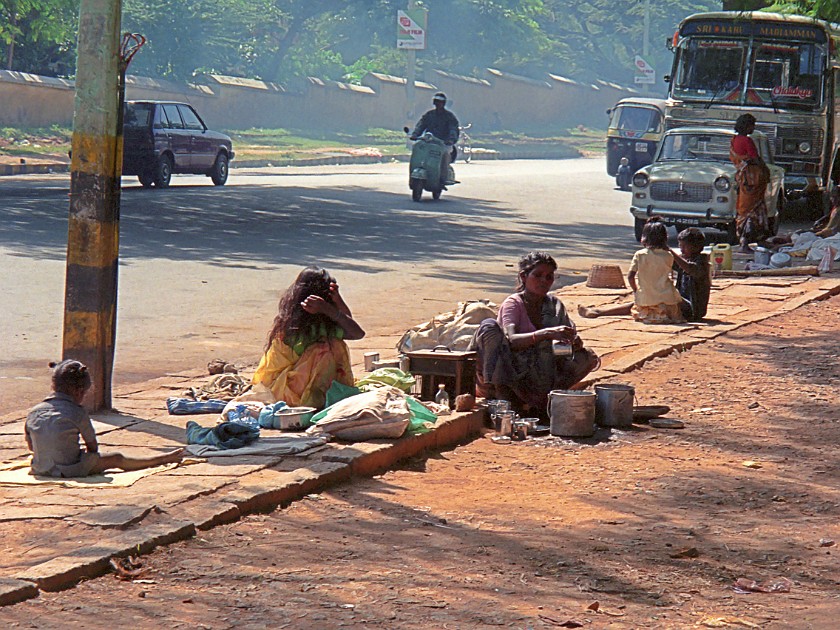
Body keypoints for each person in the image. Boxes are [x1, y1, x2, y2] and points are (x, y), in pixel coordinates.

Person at [468, 252, 599, 415]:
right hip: (509, 371)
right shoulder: (514, 304)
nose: (544, 281)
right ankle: (499, 395)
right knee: (488, 326)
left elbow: (569, 340)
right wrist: (545, 334)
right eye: (538, 275)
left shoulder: (554, 305)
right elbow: (512, 340)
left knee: (587, 357)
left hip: (540, 372)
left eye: (549, 277)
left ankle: (542, 400)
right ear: (523, 277)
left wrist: (572, 341)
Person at [25, 360, 184, 477]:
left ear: (53, 386)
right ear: (79, 392)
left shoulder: (34, 411)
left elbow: (32, 447)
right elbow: (92, 447)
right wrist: (88, 461)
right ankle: (162, 458)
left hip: (40, 467)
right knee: (117, 458)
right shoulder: (77, 412)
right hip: (69, 469)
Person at [251, 266, 365, 409]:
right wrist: (329, 309)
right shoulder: (298, 328)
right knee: (325, 348)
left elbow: (354, 330)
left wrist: (337, 300)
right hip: (289, 391)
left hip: (296, 387)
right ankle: (317, 399)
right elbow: (355, 332)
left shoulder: (321, 324)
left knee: (333, 343)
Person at [578, 220, 687, 324]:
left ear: (644, 238)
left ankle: (599, 312)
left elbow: (630, 276)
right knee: (658, 299)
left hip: (646, 299)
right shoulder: (668, 255)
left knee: (639, 303)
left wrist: (636, 290)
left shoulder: (640, 254)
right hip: (669, 301)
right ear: (665, 238)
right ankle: (598, 312)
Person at [730, 113, 771, 252]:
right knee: (753, 211)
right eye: (752, 125)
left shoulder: (734, 140)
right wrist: (765, 169)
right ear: (747, 126)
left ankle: (751, 240)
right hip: (753, 180)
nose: (753, 128)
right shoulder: (747, 141)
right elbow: (755, 158)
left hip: (744, 180)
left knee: (745, 210)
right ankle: (747, 242)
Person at [410, 92, 460, 187]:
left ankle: (442, 178)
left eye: (440, 102)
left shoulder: (449, 117)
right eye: (436, 102)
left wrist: (450, 140)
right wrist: (415, 134)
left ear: (444, 103)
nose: (438, 104)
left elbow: (453, 129)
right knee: (419, 150)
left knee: (445, 156)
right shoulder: (429, 115)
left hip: (443, 143)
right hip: (428, 141)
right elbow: (421, 125)